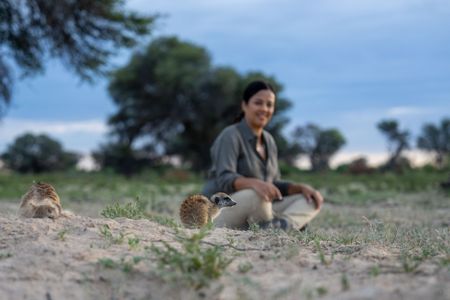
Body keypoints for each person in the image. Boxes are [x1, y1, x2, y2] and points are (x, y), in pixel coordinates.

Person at [202, 80, 324, 231]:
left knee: (308, 199)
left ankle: (282, 226)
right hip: (222, 210)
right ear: (244, 105)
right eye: (258, 103)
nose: (264, 109)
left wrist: (299, 187)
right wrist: (255, 183)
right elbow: (224, 178)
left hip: (261, 210)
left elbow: (272, 185)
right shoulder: (231, 135)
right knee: (257, 195)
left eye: (269, 105)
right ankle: (285, 226)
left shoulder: (269, 141)